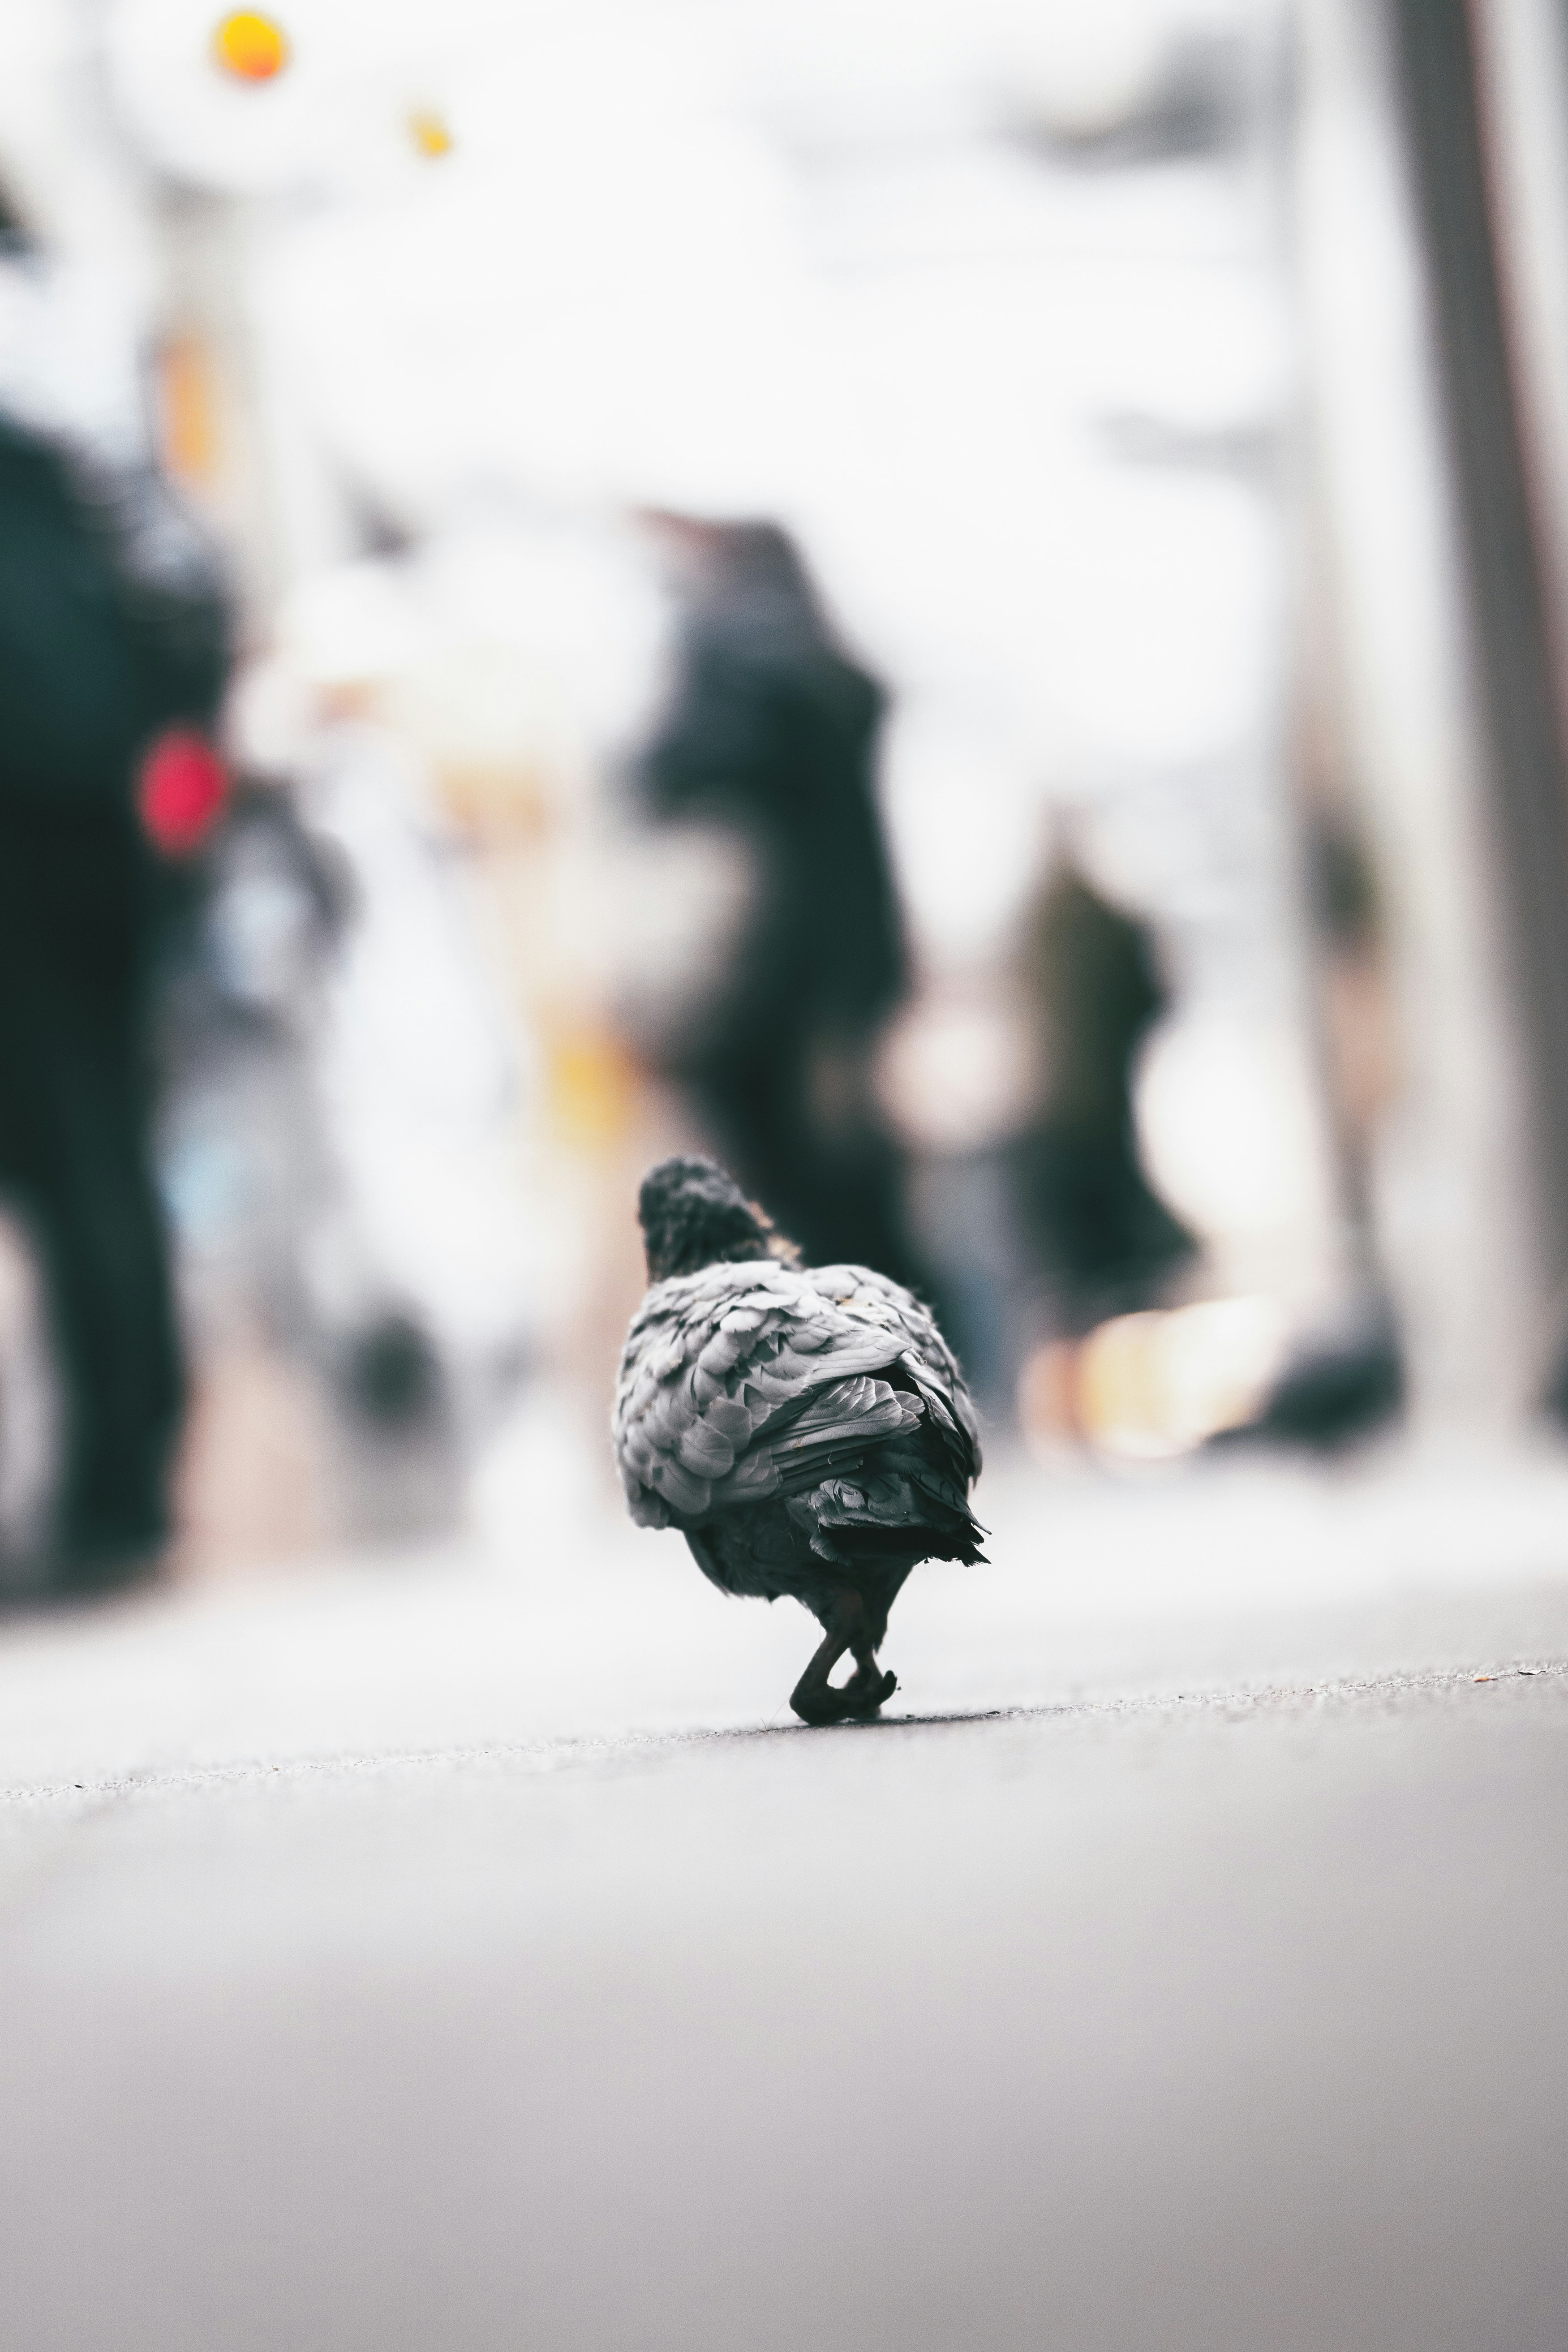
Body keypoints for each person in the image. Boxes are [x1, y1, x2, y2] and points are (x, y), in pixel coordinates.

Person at [0, 411, 229, 1588]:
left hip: (29, 862)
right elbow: (197, 610)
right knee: (104, 1162)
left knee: (72, 1170)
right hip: (108, 860)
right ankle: (125, 1477)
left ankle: (104, 1488)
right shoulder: (72, 457)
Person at [632, 518, 922, 1287]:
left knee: (791, 1210)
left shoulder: (737, 665)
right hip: (835, 991)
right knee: (846, 1196)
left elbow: (673, 768)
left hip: (766, 996)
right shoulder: (822, 676)